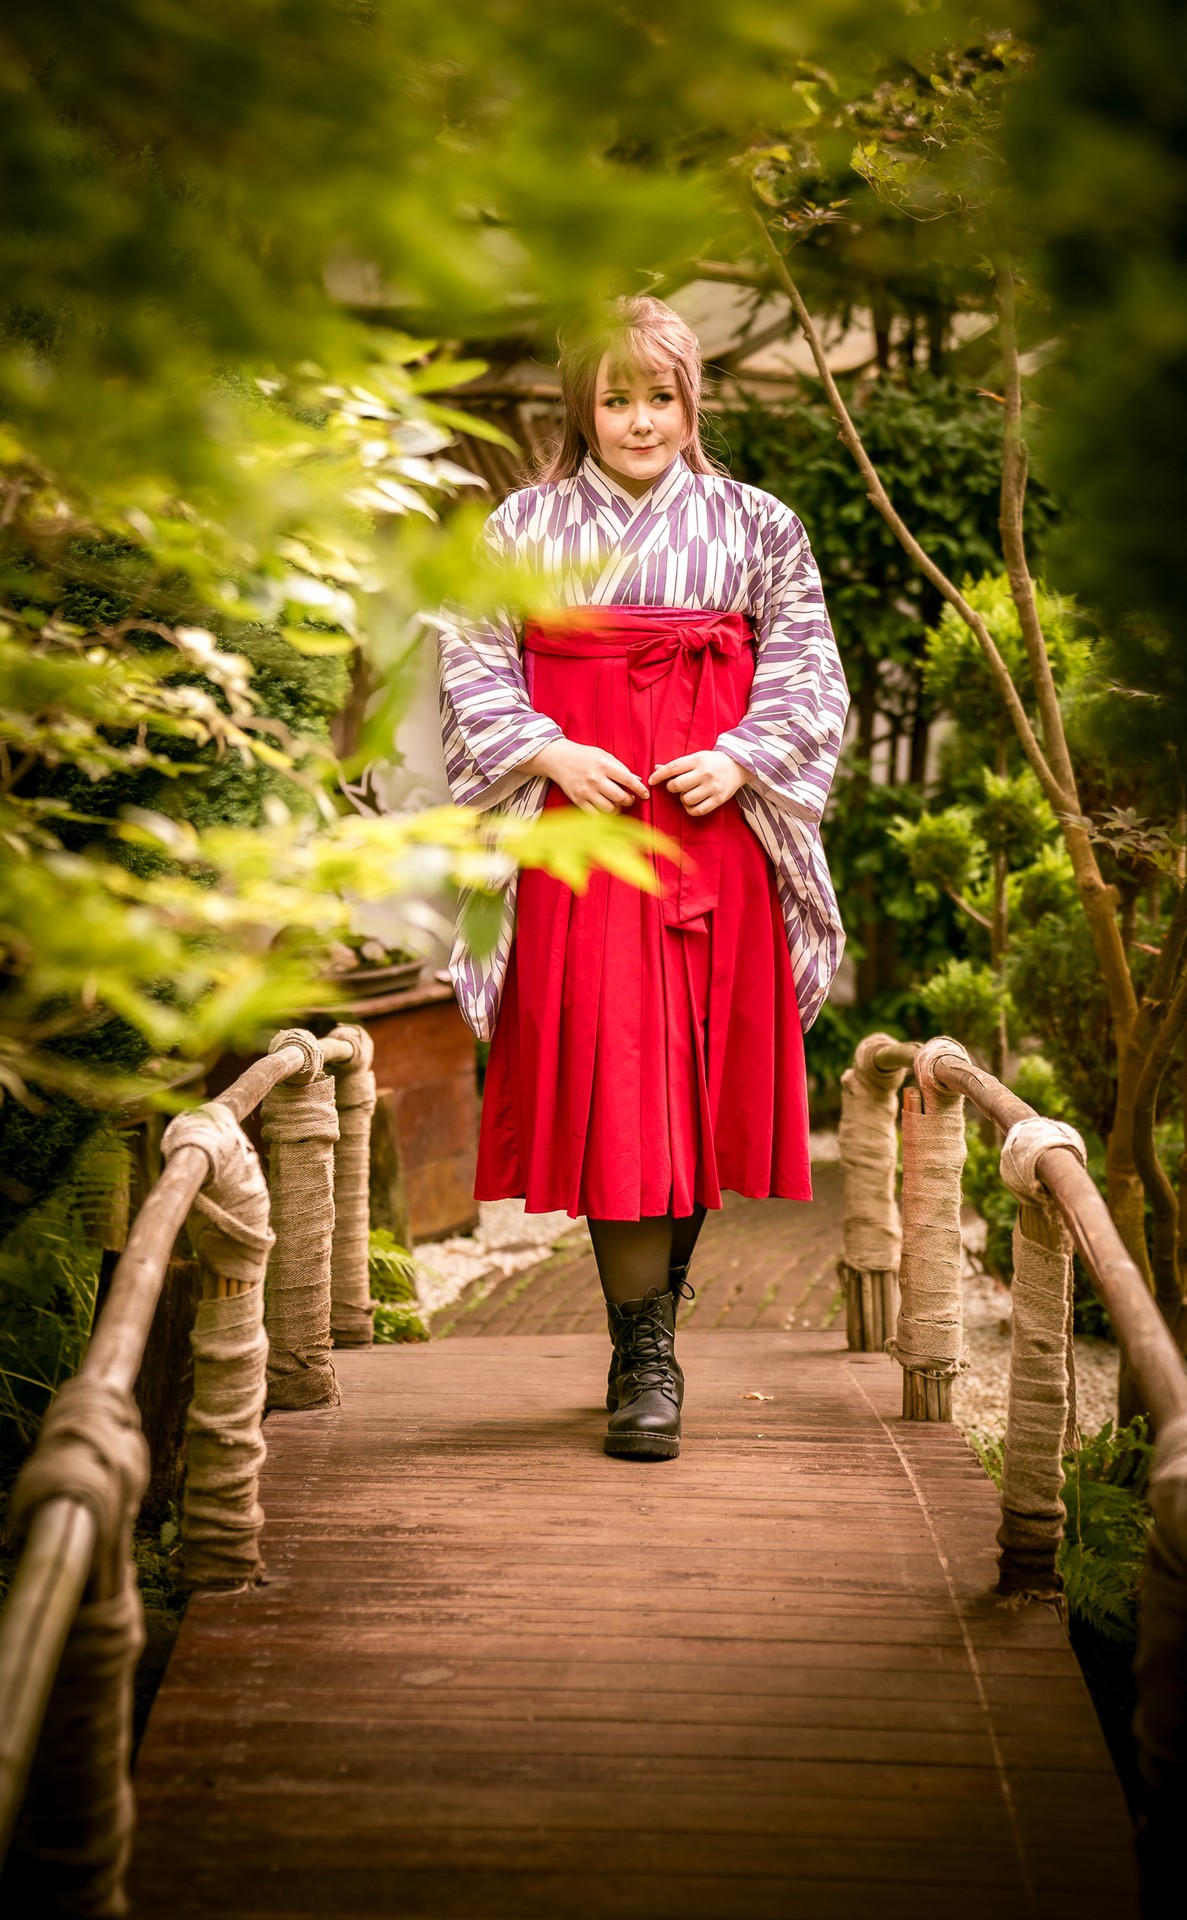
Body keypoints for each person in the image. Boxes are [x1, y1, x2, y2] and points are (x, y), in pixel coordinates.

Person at [438, 295, 848, 1460]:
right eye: (614, 399)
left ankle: (644, 1331)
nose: (637, 420)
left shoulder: (756, 523)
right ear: (581, 409)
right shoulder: (522, 527)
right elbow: (471, 655)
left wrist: (741, 756)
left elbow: (807, 661)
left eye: (658, 397)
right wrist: (547, 751)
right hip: (585, 838)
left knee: (694, 1089)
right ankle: (647, 1356)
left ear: (689, 402)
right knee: (619, 1087)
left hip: (713, 829)